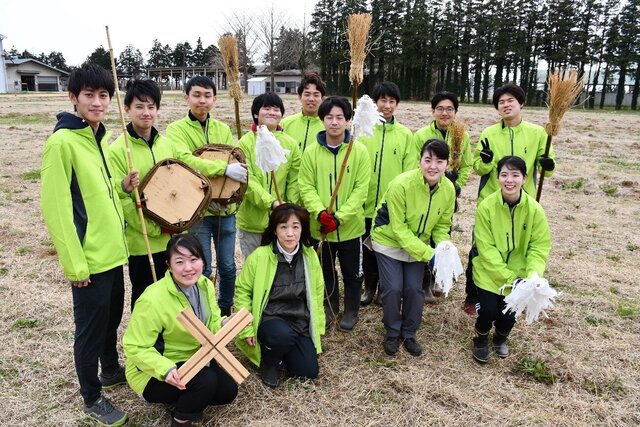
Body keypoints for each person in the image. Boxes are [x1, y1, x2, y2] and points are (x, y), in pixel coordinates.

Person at [40, 63, 138, 426]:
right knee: (90, 328)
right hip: (90, 261)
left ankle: (110, 369)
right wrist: (75, 265)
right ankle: (92, 395)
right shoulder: (62, 143)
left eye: (103, 96)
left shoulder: (96, 138)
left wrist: (123, 188)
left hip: (113, 253)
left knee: (112, 318)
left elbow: (100, 194)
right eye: (89, 95)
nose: (97, 102)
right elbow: (57, 209)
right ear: (73, 98)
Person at [123, 234, 238, 426]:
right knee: (206, 381)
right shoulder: (152, 299)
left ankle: (181, 397)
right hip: (154, 371)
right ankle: (181, 418)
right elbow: (134, 347)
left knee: (227, 392)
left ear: (202, 260)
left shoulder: (205, 285)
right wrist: (165, 370)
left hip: (195, 359)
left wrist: (225, 324)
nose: (188, 268)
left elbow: (211, 323)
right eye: (179, 261)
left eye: (194, 259)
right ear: (168, 265)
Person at [464, 82, 555, 315]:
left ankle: (517, 290)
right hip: (491, 203)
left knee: (519, 249)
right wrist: (484, 160)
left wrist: (549, 164)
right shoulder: (489, 133)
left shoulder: (538, 133)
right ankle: (472, 295)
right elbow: (479, 168)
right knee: (480, 249)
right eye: (501, 102)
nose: (505, 105)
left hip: (523, 203)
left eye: (510, 101)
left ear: (521, 103)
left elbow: (548, 167)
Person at [166, 75, 247, 317]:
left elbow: (229, 157)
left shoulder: (221, 129)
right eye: (197, 95)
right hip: (197, 211)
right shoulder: (176, 130)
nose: (202, 100)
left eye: (207, 96)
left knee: (228, 266)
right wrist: (221, 169)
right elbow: (186, 161)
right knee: (202, 266)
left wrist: (229, 168)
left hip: (225, 210)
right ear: (186, 98)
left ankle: (224, 309)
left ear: (214, 99)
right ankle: (204, 311)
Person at [371, 139, 455, 357]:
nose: (433, 166)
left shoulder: (448, 190)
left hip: (418, 244)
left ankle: (409, 333)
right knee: (393, 288)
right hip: (388, 240)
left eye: (439, 161)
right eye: (428, 160)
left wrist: (443, 247)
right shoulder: (401, 184)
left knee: (414, 290)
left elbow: (441, 225)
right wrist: (430, 254)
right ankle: (392, 331)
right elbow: (398, 229)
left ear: (447, 163)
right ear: (419, 161)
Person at [298, 96, 371, 331]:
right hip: (321, 229)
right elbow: (305, 185)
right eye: (329, 117)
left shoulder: (358, 151)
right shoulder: (311, 152)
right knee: (326, 271)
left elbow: (361, 190)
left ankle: (351, 310)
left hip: (350, 229)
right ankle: (330, 307)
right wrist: (320, 213)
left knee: (352, 273)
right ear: (322, 120)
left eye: (340, 117)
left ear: (348, 120)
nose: (334, 122)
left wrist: (340, 217)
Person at [235, 204, 325, 388]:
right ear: (275, 230)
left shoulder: (310, 257)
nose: (289, 233)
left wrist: (319, 327)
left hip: (298, 320)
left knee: (307, 372)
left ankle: (282, 353)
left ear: (302, 229)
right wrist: (246, 329)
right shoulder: (259, 256)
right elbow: (242, 292)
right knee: (281, 335)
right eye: (283, 227)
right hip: (270, 318)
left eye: (295, 226)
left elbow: (317, 293)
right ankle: (268, 362)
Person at [471, 156, 551, 363]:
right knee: (488, 311)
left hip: (519, 274)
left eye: (515, 175)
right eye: (504, 174)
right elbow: (485, 247)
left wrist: (532, 275)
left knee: (508, 315)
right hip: (488, 271)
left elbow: (539, 246)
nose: (509, 180)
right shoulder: (486, 207)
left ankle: (500, 337)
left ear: (524, 178)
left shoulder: (535, 210)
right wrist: (508, 277)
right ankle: (480, 339)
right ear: (497, 177)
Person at [110, 79, 171, 309]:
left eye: (151, 106)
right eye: (139, 107)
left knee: (170, 297)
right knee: (145, 299)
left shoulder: (166, 145)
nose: (146, 113)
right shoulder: (117, 150)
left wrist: (174, 226)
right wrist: (155, 229)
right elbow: (121, 200)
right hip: (141, 241)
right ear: (127, 109)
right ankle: (141, 343)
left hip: (170, 239)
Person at [359, 81, 415, 306]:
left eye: (392, 101)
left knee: (386, 249)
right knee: (366, 249)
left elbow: (409, 171)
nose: (387, 106)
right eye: (383, 100)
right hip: (363, 204)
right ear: (375, 102)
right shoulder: (364, 130)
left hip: (390, 206)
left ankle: (385, 288)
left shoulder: (405, 135)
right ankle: (368, 287)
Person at [413, 91, 472, 304]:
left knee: (442, 234)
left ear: (455, 112)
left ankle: (438, 277)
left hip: (446, 197)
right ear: (433, 111)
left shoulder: (461, 135)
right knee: (422, 236)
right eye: (440, 109)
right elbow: (415, 163)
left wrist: (456, 185)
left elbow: (466, 165)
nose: (444, 113)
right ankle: (422, 281)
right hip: (423, 193)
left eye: (449, 109)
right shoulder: (420, 135)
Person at [236, 92, 301, 258]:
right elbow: (247, 180)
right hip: (252, 223)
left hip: (282, 222)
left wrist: (288, 207)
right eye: (266, 108)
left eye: (276, 109)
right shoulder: (245, 142)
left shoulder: (290, 144)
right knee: (254, 271)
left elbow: (295, 179)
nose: (272, 112)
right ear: (256, 114)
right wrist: (271, 203)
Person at [281, 72, 326, 153]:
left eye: (316, 95)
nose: (311, 99)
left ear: (322, 98)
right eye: (307, 94)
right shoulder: (284, 124)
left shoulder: (328, 126)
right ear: (299, 97)